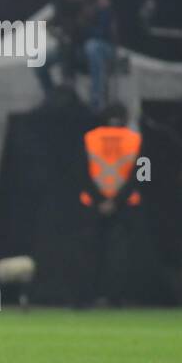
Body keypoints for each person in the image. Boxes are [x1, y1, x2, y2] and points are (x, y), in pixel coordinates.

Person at [78, 105, 143, 306]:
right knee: (120, 254)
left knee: (89, 252)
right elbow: (141, 175)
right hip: (124, 206)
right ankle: (116, 298)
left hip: (92, 204)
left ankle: (87, 296)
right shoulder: (135, 140)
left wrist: (99, 200)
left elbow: (81, 172)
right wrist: (116, 201)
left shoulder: (89, 138)